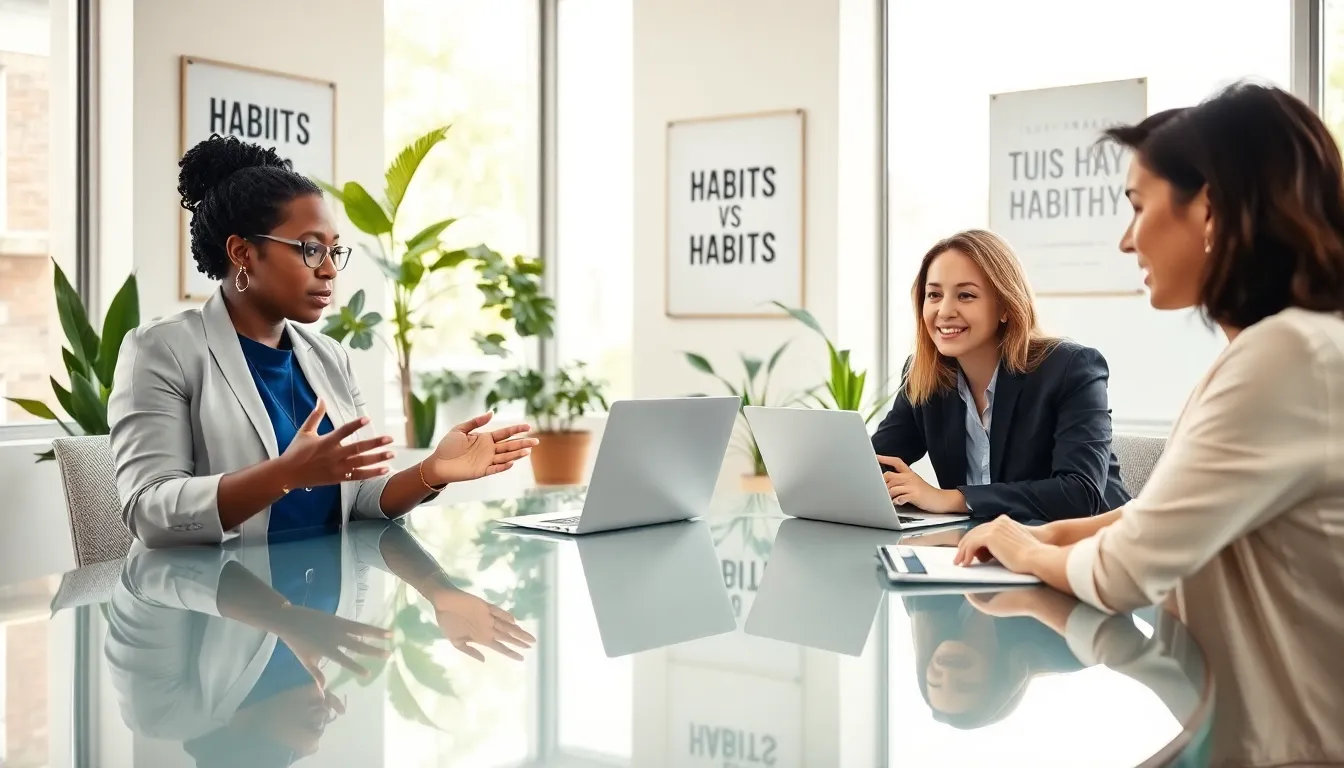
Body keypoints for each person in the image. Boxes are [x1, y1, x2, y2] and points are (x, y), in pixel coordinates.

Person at [954, 83, 1344, 766]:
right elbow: (1166, 515)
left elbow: (1124, 571)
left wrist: (1025, 553)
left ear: (1212, 207)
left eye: (1138, 206)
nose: (1127, 238)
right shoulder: (1280, 349)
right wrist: (1043, 533)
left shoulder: (1285, 358)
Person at [108, 135, 538, 547]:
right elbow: (150, 511)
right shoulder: (162, 350)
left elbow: (361, 498)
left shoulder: (329, 357)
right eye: (311, 250)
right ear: (242, 253)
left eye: (334, 251)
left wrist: (433, 470)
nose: (330, 269)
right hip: (212, 608)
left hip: (326, 612)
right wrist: (283, 475)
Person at [104, 520, 534, 767]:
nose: (337, 707)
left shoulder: (162, 711)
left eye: (317, 723)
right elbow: (361, 530)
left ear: (243, 733)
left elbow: (148, 573)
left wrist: (282, 616)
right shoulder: (328, 649)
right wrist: (438, 590)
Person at [871, 229, 1129, 522]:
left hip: (1094, 549)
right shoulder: (925, 375)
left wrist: (949, 499)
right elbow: (874, 464)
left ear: (1006, 306)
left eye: (965, 295)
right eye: (934, 295)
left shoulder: (1071, 368)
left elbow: (1080, 494)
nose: (944, 311)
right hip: (985, 549)